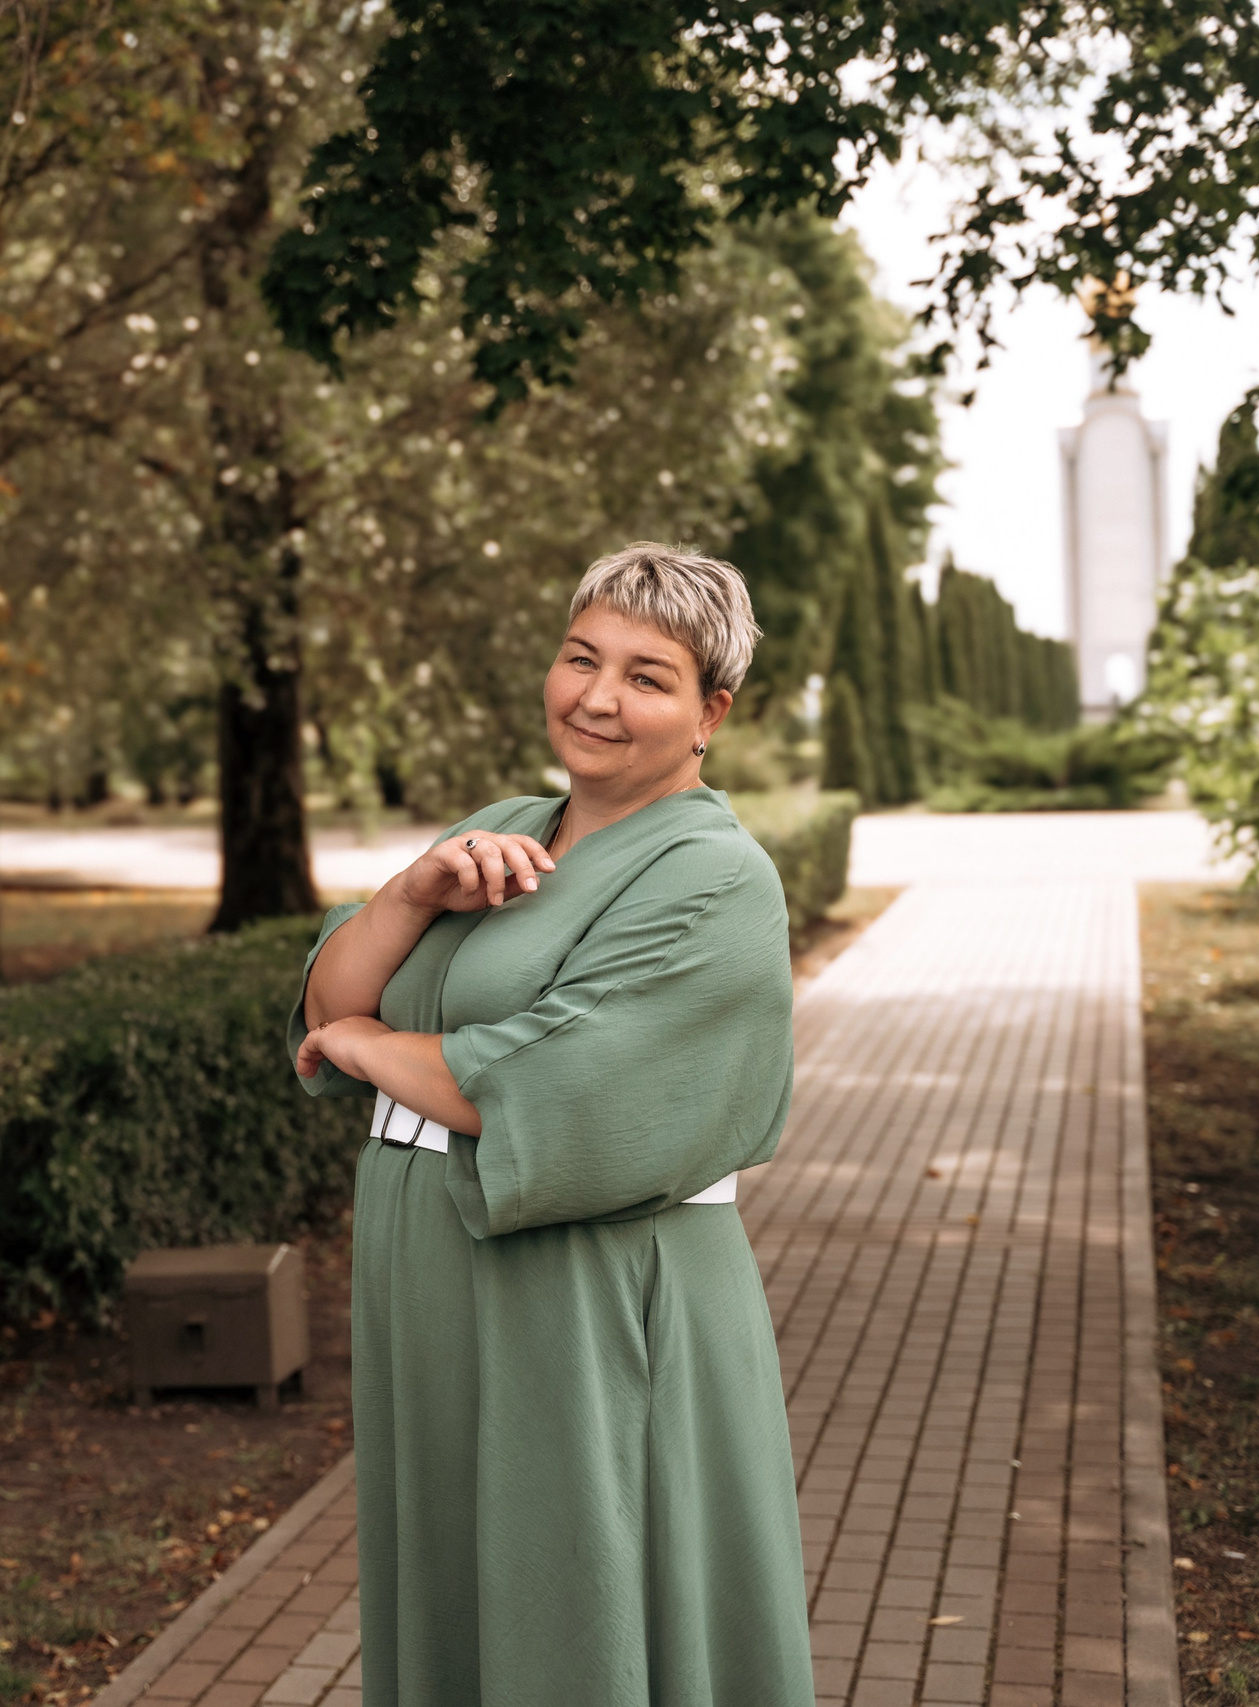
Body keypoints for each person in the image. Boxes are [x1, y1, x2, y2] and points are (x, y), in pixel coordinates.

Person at [289, 543, 815, 1705]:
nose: (596, 697)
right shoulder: (503, 830)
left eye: (646, 675)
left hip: (583, 1288)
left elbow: (533, 1087)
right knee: (453, 1584)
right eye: (580, 657)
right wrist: (413, 893)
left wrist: (371, 1048)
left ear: (708, 713)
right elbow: (331, 993)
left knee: (573, 1591)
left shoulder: (715, 874)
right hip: (430, 1272)